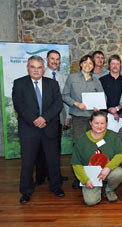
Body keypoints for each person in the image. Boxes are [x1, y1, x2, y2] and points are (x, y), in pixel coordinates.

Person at [12, 55, 65, 204]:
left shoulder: (52, 84)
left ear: (43, 69)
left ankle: (56, 187)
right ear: (27, 68)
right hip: (29, 129)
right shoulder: (19, 83)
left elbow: (58, 104)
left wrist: (44, 118)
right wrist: (34, 120)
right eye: (32, 67)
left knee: (53, 161)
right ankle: (26, 191)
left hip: (49, 128)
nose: (36, 70)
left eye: (39, 67)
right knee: (28, 163)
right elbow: (19, 105)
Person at [62, 55, 105, 188]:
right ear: (80, 64)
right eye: (85, 62)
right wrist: (76, 103)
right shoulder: (72, 78)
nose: (87, 65)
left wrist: (100, 106)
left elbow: (103, 96)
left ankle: (93, 175)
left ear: (93, 66)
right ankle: (78, 177)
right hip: (79, 117)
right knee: (79, 147)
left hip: (93, 119)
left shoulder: (96, 80)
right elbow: (65, 95)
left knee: (94, 147)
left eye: (90, 63)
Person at [71, 111, 122, 206]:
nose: (99, 126)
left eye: (102, 123)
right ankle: (96, 190)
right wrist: (85, 180)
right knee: (91, 202)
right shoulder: (82, 140)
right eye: (96, 123)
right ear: (90, 123)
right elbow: (76, 163)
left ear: (106, 124)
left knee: (118, 173)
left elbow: (120, 154)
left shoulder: (112, 136)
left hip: (108, 170)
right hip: (90, 175)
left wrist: (108, 167)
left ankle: (109, 190)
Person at [36, 49, 69, 185]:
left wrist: (68, 115)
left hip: (58, 117)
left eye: (57, 59)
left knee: (55, 148)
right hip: (41, 118)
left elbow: (65, 97)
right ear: (47, 60)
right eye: (52, 59)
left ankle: (54, 175)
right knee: (40, 149)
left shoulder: (63, 76)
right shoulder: (40, 75)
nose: (55, 61)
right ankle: (40, 176)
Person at [99, 54, 122, 120]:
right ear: (109, 65)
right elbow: (99, 98)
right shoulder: (101, 80)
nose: (115, 66)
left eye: (117, 64)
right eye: (113, 63)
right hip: (105, 114)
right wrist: (110, 110)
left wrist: (117, 108)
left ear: (120, 66)